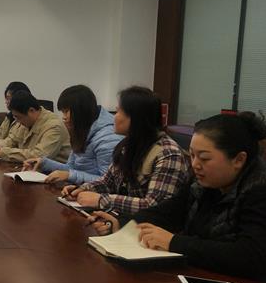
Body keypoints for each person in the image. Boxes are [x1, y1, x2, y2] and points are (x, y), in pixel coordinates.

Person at [90, 112, 266, 283]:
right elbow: (169, 212)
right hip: (216, 282)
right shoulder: (208, 180)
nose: (195, 164)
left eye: (204, 158)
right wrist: (122, 223)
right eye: (192, 155)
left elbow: (250, 257)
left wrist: (173, 242)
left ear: (238, 160)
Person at [62, 86, 189, 215]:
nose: (114, 117)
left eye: (118, 112)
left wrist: (102, 200)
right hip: (123, 219)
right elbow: (107, 182)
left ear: (135, 117)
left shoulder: (168, 154)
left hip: (147, 225)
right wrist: (83, 189)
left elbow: (154, 206)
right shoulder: (127, 145)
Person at [23, 85, 123, 184]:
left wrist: (70, 176)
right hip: (80, 189)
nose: (64, 117)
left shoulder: (108, 138)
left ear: (80, 110)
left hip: (93, 193)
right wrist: (43, 163)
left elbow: (109, 183)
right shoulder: (83, 128)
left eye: (66, 111)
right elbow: (71, 168)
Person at [0, 90, 71, 163]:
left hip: (52, 174)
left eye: (18, 117)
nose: (17, 121)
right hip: (29, 169)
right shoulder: (24, 121)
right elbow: (11, 141)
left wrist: (5, 153)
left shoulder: (54, 126)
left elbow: (40, 155)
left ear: (31, 110)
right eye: (15, 117)